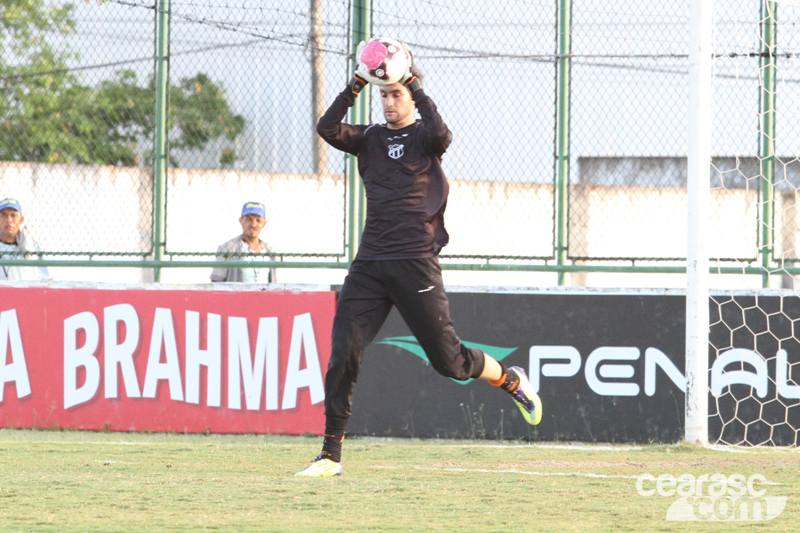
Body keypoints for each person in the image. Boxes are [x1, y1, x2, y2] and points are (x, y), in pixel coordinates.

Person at [296, 43, 542, 477]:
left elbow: (442, 132)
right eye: (384, 95)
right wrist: (356, 83)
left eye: (396, 95)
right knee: (343, 353)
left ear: (409, 95)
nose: (389, 102)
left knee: (451, 363)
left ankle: (510, 379)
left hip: (415, 263)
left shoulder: (426, 137)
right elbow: (328, 127)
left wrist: (411, 81)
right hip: (370, 264)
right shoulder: (369, 139)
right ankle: (330, 456)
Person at [210, 201, 278, 283]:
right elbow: (216, 283)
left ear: (264, 223)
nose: (253, 224)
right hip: (238, 295)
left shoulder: (269, 250)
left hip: (263, 295)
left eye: (258, 220)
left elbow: (274, 284)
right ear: (241, 220)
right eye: (249, 219)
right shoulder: (228, 249)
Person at [0, 197, 50, 281]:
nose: (9, 220)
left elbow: (45, 278)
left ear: (21, 220)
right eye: (4, 215)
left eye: (13, 215)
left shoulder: (31, 245)